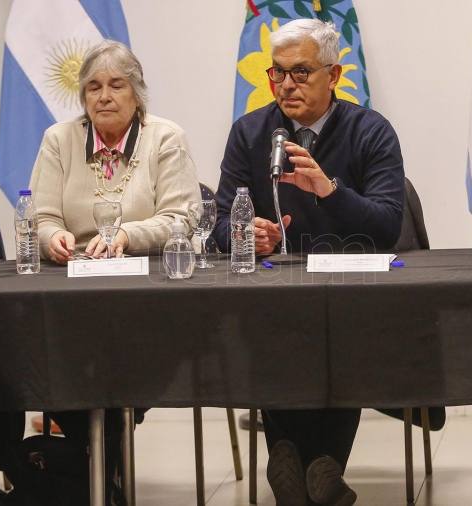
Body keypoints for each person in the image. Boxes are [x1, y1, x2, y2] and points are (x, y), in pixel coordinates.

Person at [212, 19, 405, 506]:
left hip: (350, 289)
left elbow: (387, 225)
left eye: (300, 73)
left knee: (337, 331)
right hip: (272, 292)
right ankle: (315, 470)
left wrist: (330, 190)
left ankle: (302, 462)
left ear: (334, 75)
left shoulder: (370, 130)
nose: (286, 86)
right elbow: (215, 224)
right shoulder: (251, 131)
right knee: (274, 327)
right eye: (277, 74)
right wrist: (244, 233)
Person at [25, 39, 199, 502]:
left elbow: (182, 218)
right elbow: (41, 217)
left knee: (117, 366)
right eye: (93, 87)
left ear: (136, 93)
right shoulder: (58, 139)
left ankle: (94, 465)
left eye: (116, 85)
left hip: (144, 289)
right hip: (70, 287)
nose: (103, 96)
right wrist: (53, 238)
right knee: (52, 355)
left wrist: (126, 236)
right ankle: (97, 467)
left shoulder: (166, 137)